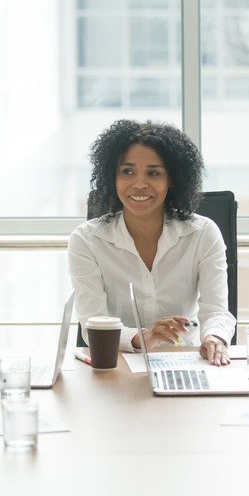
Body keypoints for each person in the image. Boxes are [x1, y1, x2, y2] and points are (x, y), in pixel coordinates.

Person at [68, 119, 235, 365]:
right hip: (116, 365)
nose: (140, 183)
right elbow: (93, 323)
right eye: (127, 172)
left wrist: (214, 338)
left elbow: (216, 310)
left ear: (172, 179)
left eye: (154, 173)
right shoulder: (86, 240)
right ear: (112, 177)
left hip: (184, 361)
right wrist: (144, 337)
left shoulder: (203, 233)